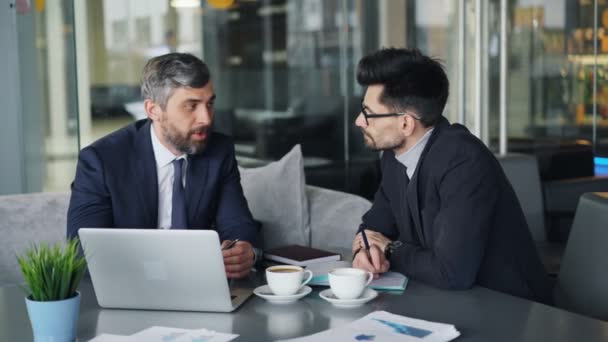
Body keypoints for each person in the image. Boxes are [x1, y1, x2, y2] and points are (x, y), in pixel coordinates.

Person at [350, 48, 552, 303]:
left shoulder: (463, 160)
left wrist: (389, 249)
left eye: (368, 113)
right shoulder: (393, 156)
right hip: (442, 302)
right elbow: (373, 227)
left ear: (405, 123)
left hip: (510, 309)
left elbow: (451, 271)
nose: (359, 121)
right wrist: (365, 251)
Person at [68, 53, 259, 279]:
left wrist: (246, 252)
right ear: (153, 110)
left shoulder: (219, 151)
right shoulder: (101, 160)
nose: (206, 119)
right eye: (191, 106)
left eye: (210, 104)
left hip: (197, 284)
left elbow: (237, 223)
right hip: (131, 287)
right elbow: (83, 251)